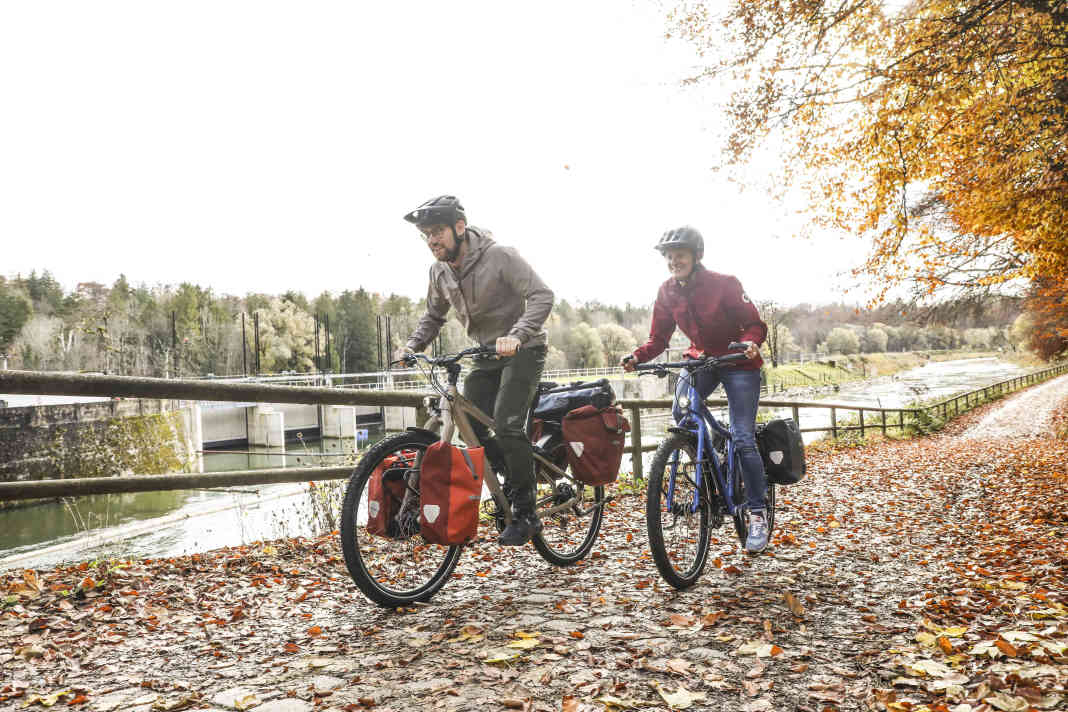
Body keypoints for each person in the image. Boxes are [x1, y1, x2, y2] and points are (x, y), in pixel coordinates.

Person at [396, 195, 554, 546]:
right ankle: (513, 477)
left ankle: (527, 512)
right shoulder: (439, 271)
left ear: (459, 227)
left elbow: (542, 295)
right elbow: (433, 316)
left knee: (507, 424)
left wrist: (517, 334)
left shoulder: (500, 256)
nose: (432, 240)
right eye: (426, 234)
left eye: (437, 231)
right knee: (473, 428)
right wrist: (412, 346)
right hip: (485, 354)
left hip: (524, 348)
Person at [621, 226, 772, 553]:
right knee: (682, 412)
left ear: (696, 256)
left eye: (680, 255)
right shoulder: (666, 292)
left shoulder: (724, 284)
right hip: (701, 360)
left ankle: (758, 513)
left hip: (738, 362)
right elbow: (658, 339)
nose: (674, 262)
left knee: (743, 437)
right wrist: (637, 356)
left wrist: (750, 343)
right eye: (669, 257)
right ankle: (708, 461)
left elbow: (754, 325)